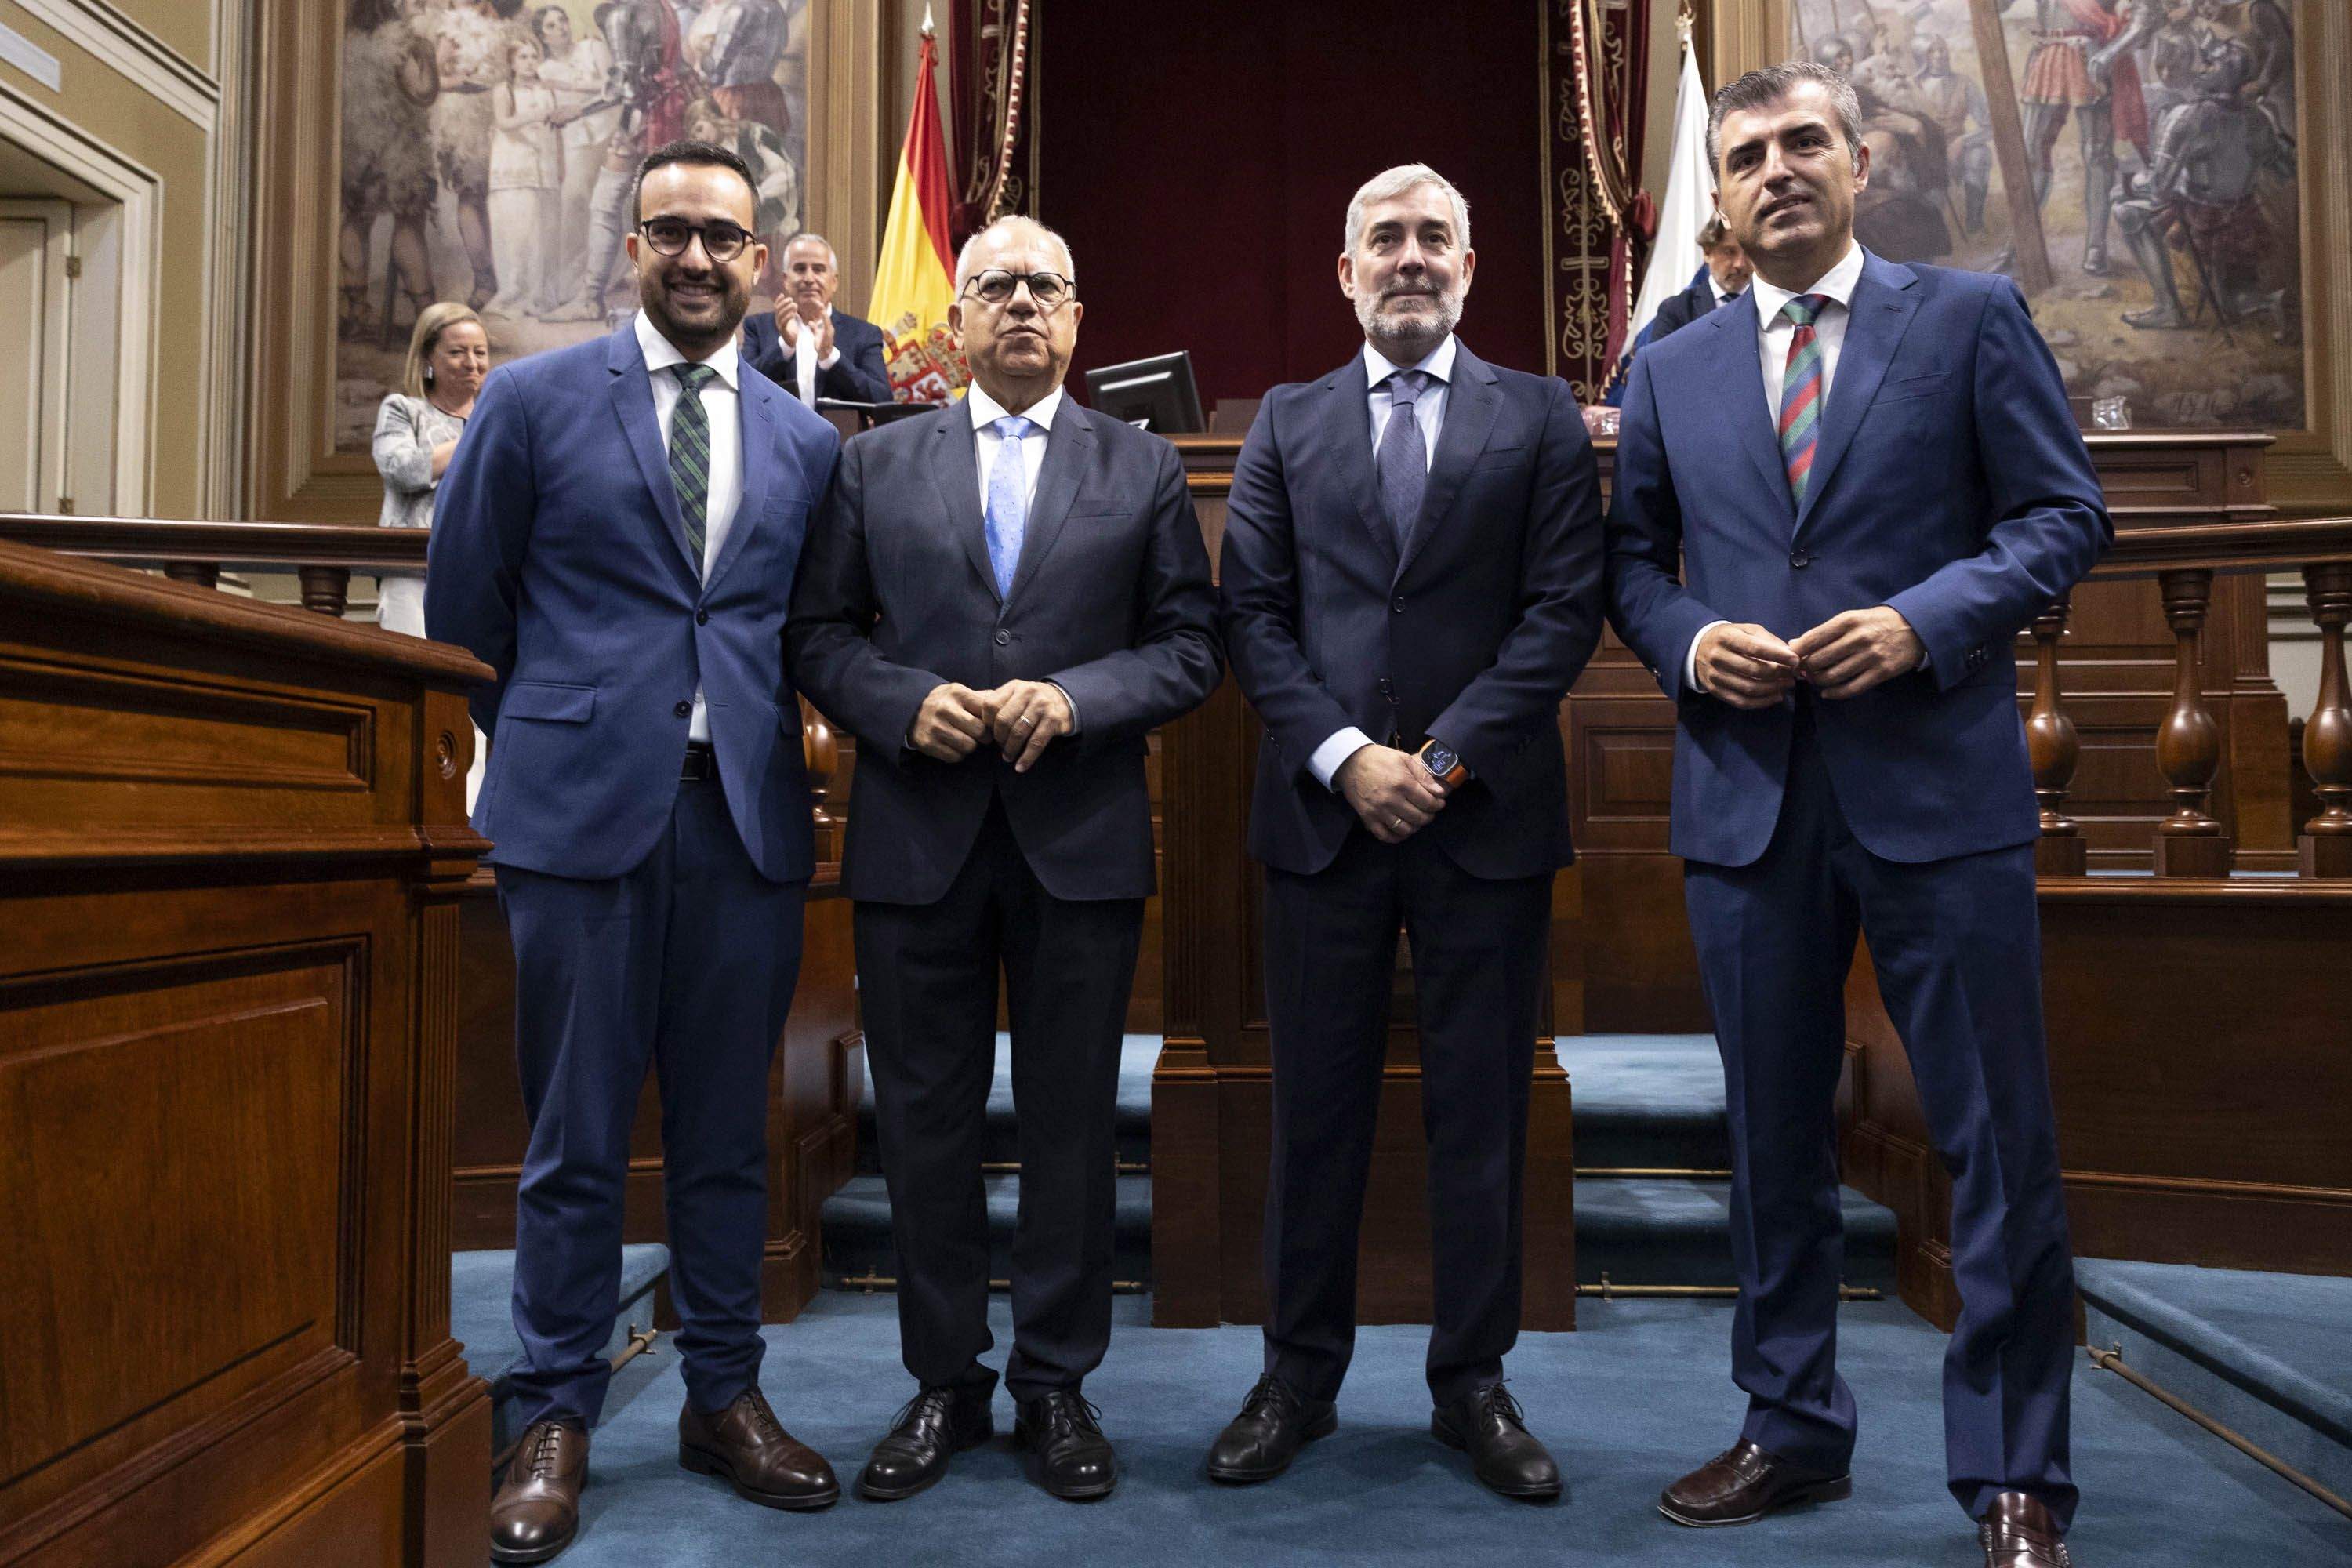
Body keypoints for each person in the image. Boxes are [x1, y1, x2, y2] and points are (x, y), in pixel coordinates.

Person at [1604, 64, 2109, 1568]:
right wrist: (1694, 644)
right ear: (1726, 193)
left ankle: (2017, 1474)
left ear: (1862, 160)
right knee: (1771, 1140)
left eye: (1803, 142)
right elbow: (1631, 566)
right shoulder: (1672, 368)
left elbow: (2063, 517)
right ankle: (1789, 1428)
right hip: (1750, 805)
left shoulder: (1967, 319)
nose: (1775, 169)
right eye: (1747, 153)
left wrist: (1924, 621)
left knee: (1995, 1139)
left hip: (1939, 792)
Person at [428, 139, 844, 1563]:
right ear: (631, 249)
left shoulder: (804, 439)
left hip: (741, 818)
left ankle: (723, 1396)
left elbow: (800, 631)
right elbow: (465, 616)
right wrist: (560, 737)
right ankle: (553, 1411)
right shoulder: (538, 400)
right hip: (577, 815)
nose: (697, 257)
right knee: (573, 1136)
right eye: (669, 231)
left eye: (723, 238)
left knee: (730, 1132)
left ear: (756, 254)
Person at [787, 216, 1221, 1505]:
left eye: (1047, 287)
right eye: (996, 287)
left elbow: (1190, 645)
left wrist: (1079, 699)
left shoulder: (1139, 469)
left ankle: (1053, 1383)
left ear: (1079, 320)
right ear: (957, 319)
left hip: (1077, 844)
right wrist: (894, 699)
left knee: (1072, 1126)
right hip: (917, 836)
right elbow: (816, 635)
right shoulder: (874, 466)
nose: (1022, 303)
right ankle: (942, 1382)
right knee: (923, 1127)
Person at [1207, 164, 1604, 1501]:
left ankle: (1472, 1385)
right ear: (1346, 271)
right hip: (1324, 825)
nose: (1412, 257)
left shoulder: (1540, 416)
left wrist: (1436, 759)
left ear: (1473, 266)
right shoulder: (1286, 420)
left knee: (1480, 1116)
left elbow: (1561, 612)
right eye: (1385, 237)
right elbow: (1251, 615)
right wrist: (1347, 759)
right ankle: (1296, 1380)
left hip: (1482, 820)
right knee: (1312, 1114)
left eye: (1437, 236)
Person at [372, 300, 487, 637]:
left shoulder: (499, 417)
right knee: (415, 679)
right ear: (427, 360)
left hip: (482, 575)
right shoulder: (402, 410)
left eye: (480, 352)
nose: (472, 363)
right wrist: (479, 436)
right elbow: (402, 469)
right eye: (457, 352)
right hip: (410, 572)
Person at [339, 0, 440, 341]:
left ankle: (356, 310)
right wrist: (428, 55)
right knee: (409, 221)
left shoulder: (345, 40)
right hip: (398, 149)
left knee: (356, 219)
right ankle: (428, 317)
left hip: (355, 148)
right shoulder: (399, 39)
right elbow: (423, 92)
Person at [742, 232, 893, 405]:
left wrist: (831, 357)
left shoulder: (864, 333)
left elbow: (882, 399)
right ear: (785, 280)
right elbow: (742, 386)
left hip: (844, 432)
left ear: (834, 282)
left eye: (819, 269)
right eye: (799, 269)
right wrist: (785, 347)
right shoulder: (758, 327)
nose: (809, 278)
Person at [532, 5, 617, 307]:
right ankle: (572, 284)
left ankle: (608, 276)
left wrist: (571, 87)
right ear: (543, 37)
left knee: (610, 201)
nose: (561, 28)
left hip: (610, 130)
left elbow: (612, 87)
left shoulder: (592, 48)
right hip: (576, 141)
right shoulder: (542, 71)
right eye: (552, 26)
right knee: (574, 201)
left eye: (563, 21)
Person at [486, 34, 566, 317]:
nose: (530, 62)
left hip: (543, 168)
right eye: (523, 57)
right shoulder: (504, 90)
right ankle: (513, 292)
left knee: (543, 233)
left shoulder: (547, 90)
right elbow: (504, 122)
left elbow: (556, 131)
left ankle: (539, 295)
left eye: (534, 56)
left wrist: (560, 164)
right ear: (511, 62)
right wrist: (534, 116)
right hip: (514, 167)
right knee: (517, 231)